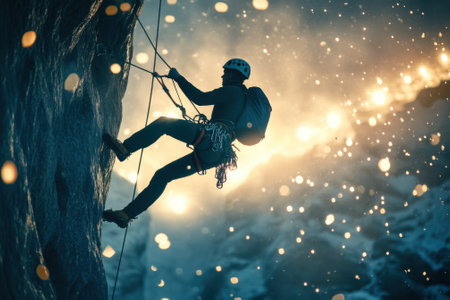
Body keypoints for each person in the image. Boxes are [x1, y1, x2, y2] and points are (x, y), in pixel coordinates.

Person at [102, 58, 251, 228]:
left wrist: (178, 78)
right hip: (218, 154)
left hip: (212, 139)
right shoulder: (242, 97)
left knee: (163, 124)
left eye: (225, 72)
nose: (222, 75)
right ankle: (126, 214)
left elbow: (200, 98)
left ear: (233, 74)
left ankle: (125, 148)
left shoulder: (233, 91)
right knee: (163, 176)